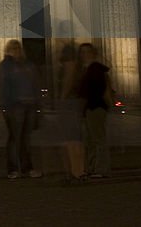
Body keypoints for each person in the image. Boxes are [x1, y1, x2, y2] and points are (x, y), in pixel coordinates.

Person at [0, 39, 42, 179]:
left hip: (30, 106)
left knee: (25, 139)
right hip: (14, 106)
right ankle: (12, 169)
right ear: (8, 50)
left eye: (17, 48)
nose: (16, 50)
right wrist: (5, 107)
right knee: (14, 138)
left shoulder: (28, 64)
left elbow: (36, 84)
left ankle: (27, 167)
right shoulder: (6, 65)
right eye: (13, 48)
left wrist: (38, 104)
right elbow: (3, 86)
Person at [78, 42, 113, 178]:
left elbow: (95, 90)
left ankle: (100, 169)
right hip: (91, 107)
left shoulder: (95, 68)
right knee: (91, 140)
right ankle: (92, 168)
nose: (84, 55)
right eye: (82, 52)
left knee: (97, 139)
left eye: (87, 52)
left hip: (96, 107)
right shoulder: (88, 68)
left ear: (93, 53)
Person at [56, 43, 86, 183]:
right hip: (77, 104)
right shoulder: (79, 66)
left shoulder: (69, 65)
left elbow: (67, 83)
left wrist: (62, 99)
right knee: (77, 139)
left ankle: (74, 171)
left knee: (70, 139)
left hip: (69, 104)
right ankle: (79, 170)